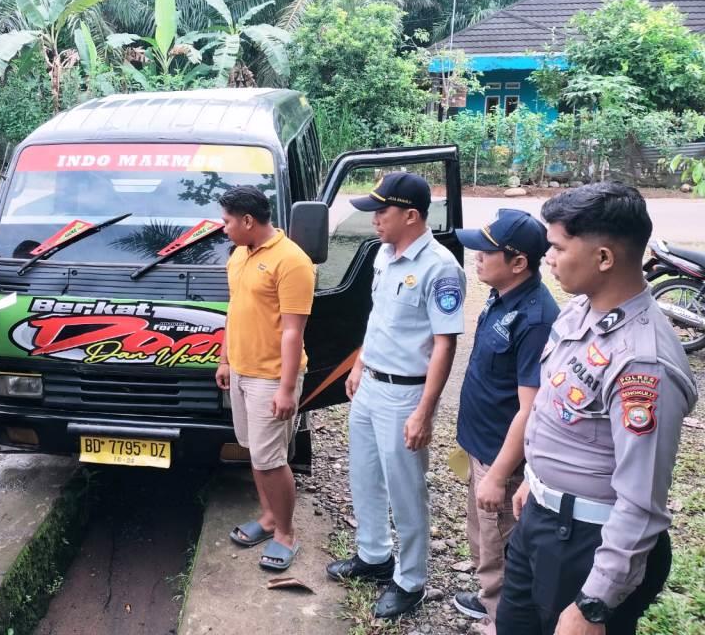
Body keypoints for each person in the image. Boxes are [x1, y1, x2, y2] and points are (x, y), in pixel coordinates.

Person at [497, 182, 698, 635]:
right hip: (545, 521)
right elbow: (557, 410)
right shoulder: (580, 311)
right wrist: (540, 481)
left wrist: (594, 602)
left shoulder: (642, 362)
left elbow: (642, 503)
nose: (548, 257)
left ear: (604, 258)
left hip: (588, 544)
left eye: (558, 247)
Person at [326, 171, 467, 619]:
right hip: (371, 385)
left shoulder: (440, 268)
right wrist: (360, 363)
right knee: (364, 475)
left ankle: (411, 580)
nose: (374, 221)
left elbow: (445, 343)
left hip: (406, 394)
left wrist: (424, 412)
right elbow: (379, 317)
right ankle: (373, 555)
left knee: (406, 490)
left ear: (411, 215)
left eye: (381, 212)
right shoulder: (384, 255)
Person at [452, 209, 560, 633]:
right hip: (482, 447)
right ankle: (486, 598)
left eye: (487, 250)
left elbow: (529, 409)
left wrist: (498, 475)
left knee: (501, 547)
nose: (476, 255)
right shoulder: (502, 297)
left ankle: (501, 617)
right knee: (482, 536)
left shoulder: (536, 319)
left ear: (519, 263)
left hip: (503, 460)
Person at [215, 186, 315, 572]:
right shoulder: (240, 255)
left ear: (247, 221)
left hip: (271, 378)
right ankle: (269, 517)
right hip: (241, 370)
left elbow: (293, 331)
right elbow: (235, 309)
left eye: (226, 222)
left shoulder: (292, 262)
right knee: (256, 452)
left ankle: (285, 533)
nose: (223, 230)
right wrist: (225, 360)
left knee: (272, 459)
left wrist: (287, 388)